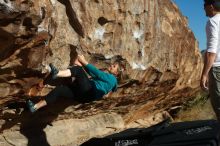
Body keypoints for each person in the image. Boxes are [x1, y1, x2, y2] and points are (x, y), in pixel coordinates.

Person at [27, 55, 121, 113]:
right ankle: (35, 107)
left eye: (114, 66)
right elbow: (92, 74)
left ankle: (57, 73)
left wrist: (84, 61)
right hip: (83, 97)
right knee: (59, 90)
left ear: (116, 73)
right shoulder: (110, 82)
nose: (111, 66)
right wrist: (82, 64)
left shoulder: (112, 79)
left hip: (89, 91)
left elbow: (97, 73)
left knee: (78, 70)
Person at [201, 0, 220, 121]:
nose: (203, 9)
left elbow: (211, 52)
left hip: (217, 69)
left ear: (211, 7)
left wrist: (204, 74)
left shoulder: (212, 22)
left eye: (204, 6)